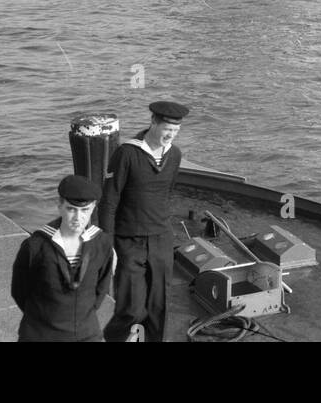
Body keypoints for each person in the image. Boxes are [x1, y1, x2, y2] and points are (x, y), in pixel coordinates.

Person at [100, 100, 189, 342]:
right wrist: (109, 246)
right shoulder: (127, 153)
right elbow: (108, 202)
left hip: (161, 239)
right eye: (166, 129)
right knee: (131, 309)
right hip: (129, 241)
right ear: (153, 123)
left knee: (158, 308)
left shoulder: (175, 155)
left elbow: (166, 193)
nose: (170, 136)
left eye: (175, 131)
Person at [10, 175, 114, 342]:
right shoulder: (36, 246)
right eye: (71, 209)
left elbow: (101, 288)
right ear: (59, 206)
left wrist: (80, 316)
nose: (78, 218)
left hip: (86, 333)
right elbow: (19, 291)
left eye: (85, 210)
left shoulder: (102, 243)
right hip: (42, 334)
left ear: (93, 208)